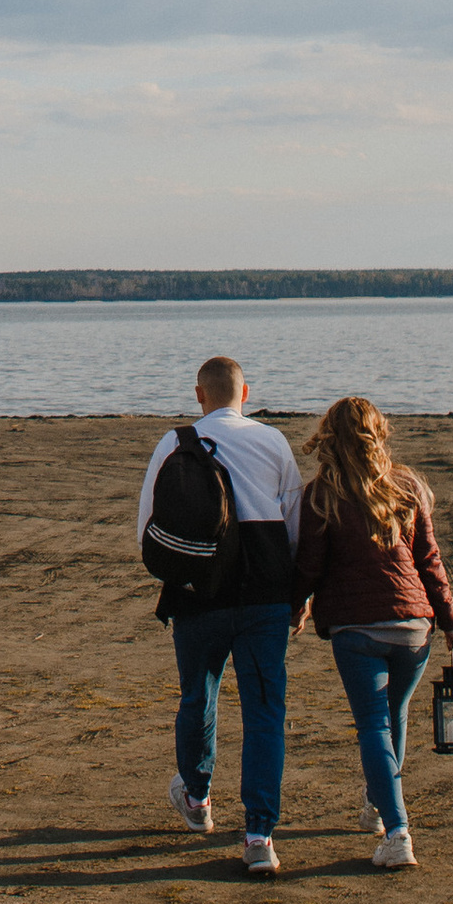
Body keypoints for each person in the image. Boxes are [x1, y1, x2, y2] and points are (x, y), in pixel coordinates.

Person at [135, 354, 302, 876]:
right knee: (264, 710)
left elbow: (148, 527)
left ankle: (198, 799)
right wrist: (298, 595)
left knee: (197, 697)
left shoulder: (173, 442)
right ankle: (259, 836)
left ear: (199, 395)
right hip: (265, 596)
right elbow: (293, 525)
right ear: (245, 393)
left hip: (197, 594)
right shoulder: (273, 442)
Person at [289, 394, 453, 872]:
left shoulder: (320, 495)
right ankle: (377, 805)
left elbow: (308, 566)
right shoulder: (404, 487)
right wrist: (449, 619)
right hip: (414, 629)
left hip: (357, 630)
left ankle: (398, 831)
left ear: (330, 437)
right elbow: (429, 560)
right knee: (395, 716)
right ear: (377, 432)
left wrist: (295, 607)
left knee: (374, 727)